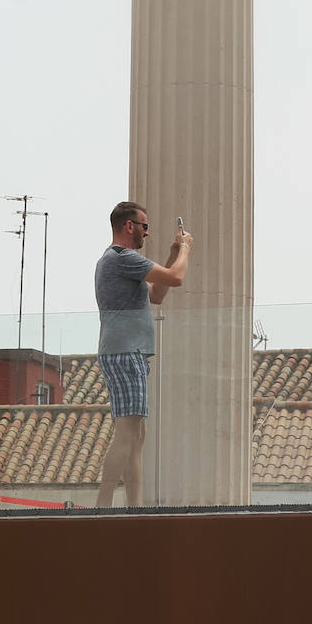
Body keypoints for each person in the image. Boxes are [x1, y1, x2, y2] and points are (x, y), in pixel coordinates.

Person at [94, 200, 193, 508]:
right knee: (127, 433)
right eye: (145, 227)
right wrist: (186, 248)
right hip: (125, 352)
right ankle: (103, 505)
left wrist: (173, 254)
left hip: (127, 352)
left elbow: (157, 295)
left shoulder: (117, 261)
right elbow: (176, 278)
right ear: (129, 226)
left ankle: (134, 507)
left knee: (136, 435)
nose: (146, 233)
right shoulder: (121, 257)